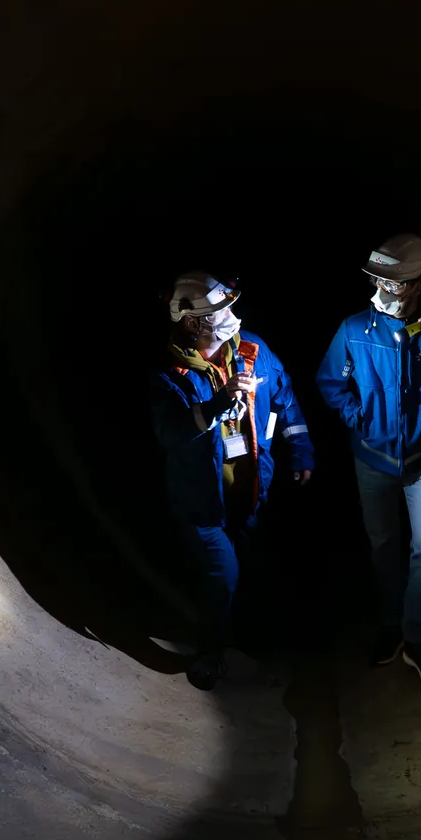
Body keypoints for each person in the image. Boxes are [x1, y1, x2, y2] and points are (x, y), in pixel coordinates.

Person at [315, 234, 421, 687]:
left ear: (417, 285)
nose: (380, 290)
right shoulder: (354, 329)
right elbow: (330, 382)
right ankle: (391, 626)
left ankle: (418, 638)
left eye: (391, 282)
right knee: (384, 547)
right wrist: (360, 419)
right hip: (372, 460)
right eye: (377, 280)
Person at [148, 272, 315, 690]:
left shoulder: (252, 351)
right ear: (192, 323)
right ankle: (209, 652)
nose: (232, 316)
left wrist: (301, 451)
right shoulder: (171, 375)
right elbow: (170, 433)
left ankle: (245, 637)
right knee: (222, 576)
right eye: (220, 311)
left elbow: (285, 399)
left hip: (250, 492)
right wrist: (218, 403)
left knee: (248, 571)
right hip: (201, 502)